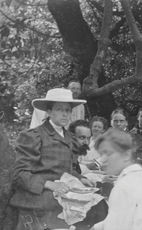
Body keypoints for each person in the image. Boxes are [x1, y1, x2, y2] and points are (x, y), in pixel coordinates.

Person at [10, 88, 95, 230]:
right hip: (36, 204)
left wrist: (80, 178)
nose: (65, 114)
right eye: (59, 109)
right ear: (49, 112)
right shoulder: (34, 136)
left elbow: (65, 170)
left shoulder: (69, 137)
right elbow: (19, 175)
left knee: (98, 208)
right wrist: (49, 184)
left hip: (60, 203)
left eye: (67, 110)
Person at [91, 128, 142, 230]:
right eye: (102, 154)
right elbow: (117, 220)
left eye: (109, 153)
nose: (103, 160)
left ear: (126, 155)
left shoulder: (124, 187)